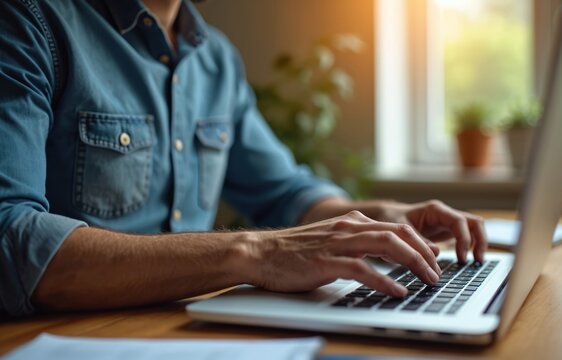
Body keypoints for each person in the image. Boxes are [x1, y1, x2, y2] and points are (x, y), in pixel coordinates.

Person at [0, 0, 486, 317]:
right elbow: (10, 237)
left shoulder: (217, 59)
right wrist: (255, 253)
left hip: (189, 335)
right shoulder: (30, 22)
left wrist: (379, 217)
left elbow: (285, 191)